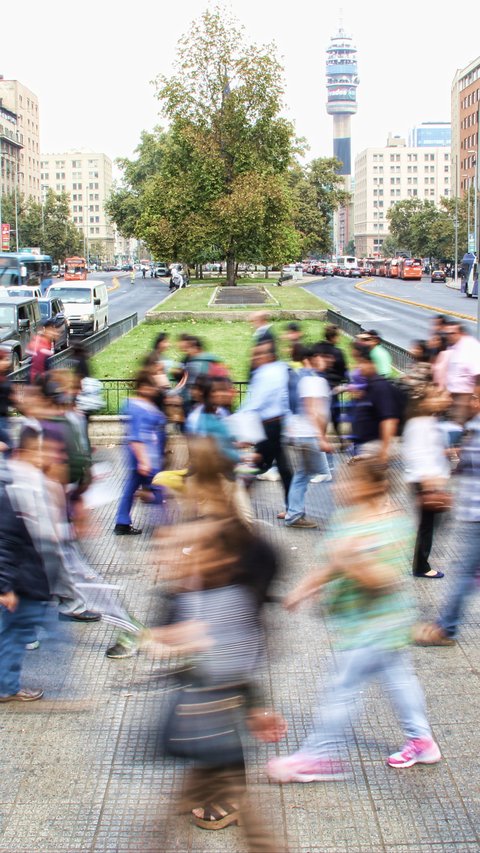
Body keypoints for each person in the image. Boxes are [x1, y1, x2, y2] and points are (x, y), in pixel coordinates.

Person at [267, 455, 441, 783]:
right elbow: (332, 564)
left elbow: (386, 579)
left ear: (373, 487)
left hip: (376, 623)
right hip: (363, 621)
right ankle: (422, 741)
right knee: (399, 678)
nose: (339, 486)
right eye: (340, 480)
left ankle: (319, 756)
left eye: (350, 482)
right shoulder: (347, 517)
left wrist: (351, 560)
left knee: (341, 687)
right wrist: (304, 588)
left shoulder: (393, 524)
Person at [154, 467, 287, 852]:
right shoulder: (199, 588)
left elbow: (230, 657)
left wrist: (178, 641)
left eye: (199, 551)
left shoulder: (231, 596)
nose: (186, 556)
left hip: (218, 707)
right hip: (201, 708)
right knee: (191, 793)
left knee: (232, 797)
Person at [415, 378, 480, 645]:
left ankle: (446, 628)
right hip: (470, 512)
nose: (471, 401)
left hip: (475, 516)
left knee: (464, 573)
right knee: (466, 573)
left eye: (476, 396)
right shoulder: (472, 428)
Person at [0, 427, 57, 702]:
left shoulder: (28, 482)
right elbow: (6, 541)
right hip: (19, 577)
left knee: (15, 631)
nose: (45, 457)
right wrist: (4, 586)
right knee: (14, 633)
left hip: (26, 574)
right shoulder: (13, 488)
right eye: (39, 451)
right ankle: (6, 687)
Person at [402, 385, 451, 578]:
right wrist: (429, 485)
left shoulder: (427, 421)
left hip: (429, 481)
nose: (444, 398)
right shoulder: (420, 423)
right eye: (437, 395)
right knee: (427, 526)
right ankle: (421, 566)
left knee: (429, 525)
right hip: (425, 483)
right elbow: (417, 455)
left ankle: (421, 563)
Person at [241, 340, 292, 516]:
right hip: (272, 425)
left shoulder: (266, 373)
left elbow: (254, 402)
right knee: (276, 467)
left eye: (259, 354)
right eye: (255, 354)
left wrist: (242, 427)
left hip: (268, 426)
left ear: (270, 356)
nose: (255, 358)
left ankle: (235, 499)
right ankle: (292, 508)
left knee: (261, 465)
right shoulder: (280, 369)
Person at [114, 371, 167, 535]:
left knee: (131, 488)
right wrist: (144, 461)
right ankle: (162, 525)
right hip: (145, 457)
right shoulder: (139, 408)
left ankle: (122, 522)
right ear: (143, 387)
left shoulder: (137, 406)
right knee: (157, 488)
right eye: (152, 387)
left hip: (142, 457)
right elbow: (137, 436)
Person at [284, 346, 331, 529]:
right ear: (313, 358)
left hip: (301, 433)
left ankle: (293, 513)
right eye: (323, 356)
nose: (326, 361)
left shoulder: (303, 377)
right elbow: (313, 410)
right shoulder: (313, 380)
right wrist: (321, 438)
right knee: (325, 475)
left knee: (303, 475)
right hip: (309, 435)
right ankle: (295, 514)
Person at [351, 346, 399, 461]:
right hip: (368, 446)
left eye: (362, 363)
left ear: (372, 364)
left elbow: (389, 419)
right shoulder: (370, 386)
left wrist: (384, 450)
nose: (358, 367)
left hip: (375, 447)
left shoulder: (380, 387)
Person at [443, 321, 480, 424]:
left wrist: (475, 398)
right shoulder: (452, 346)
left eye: (452, 333)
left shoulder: (471, 347)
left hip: (466, 396)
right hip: (453, 395)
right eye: (447, 334)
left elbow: (478, 376)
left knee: (460, 426)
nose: (449, 336)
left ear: (461, 333)